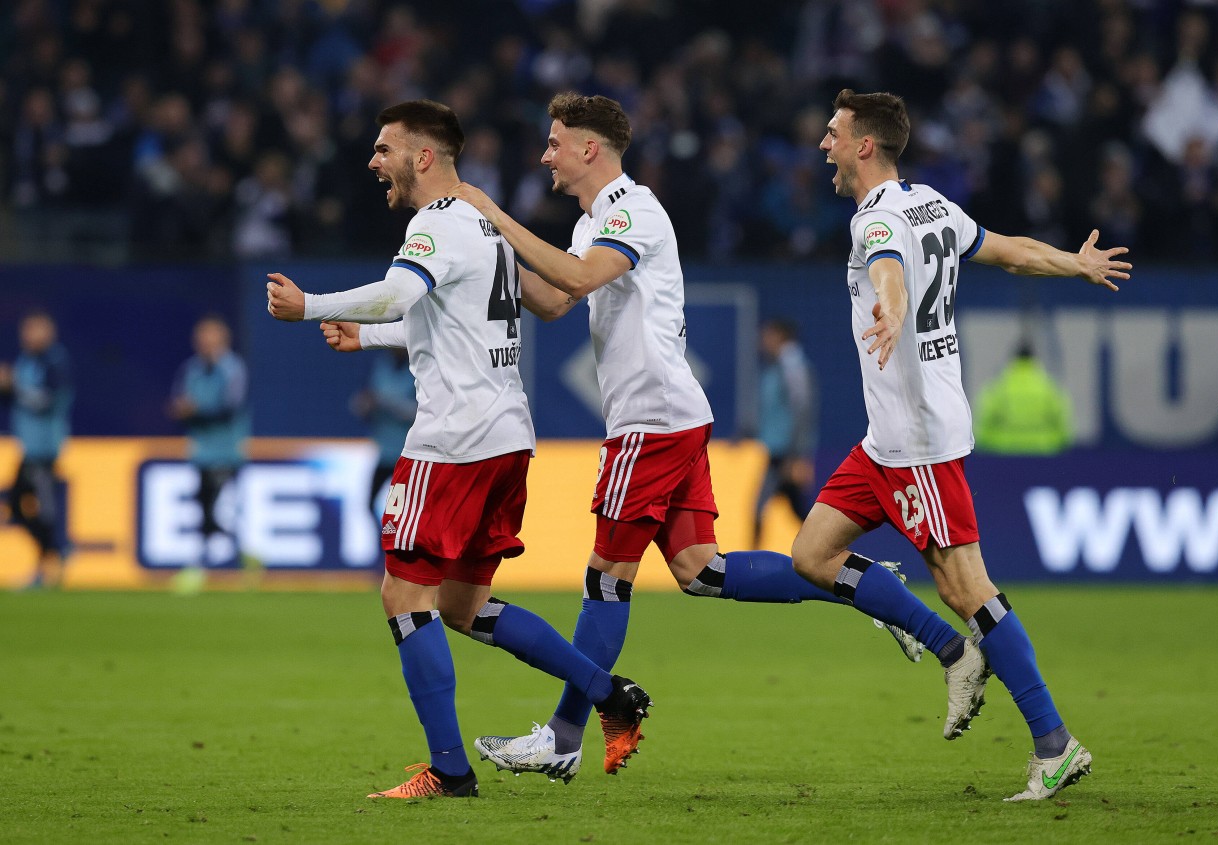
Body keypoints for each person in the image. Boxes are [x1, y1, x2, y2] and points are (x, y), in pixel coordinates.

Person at [446, 92, 943, 784]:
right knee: (700, 572)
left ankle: (563, 735)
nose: (545, 155)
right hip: (670, 416)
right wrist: (484, 249)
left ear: (590, 149)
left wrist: (494, 215)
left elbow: (580, 279)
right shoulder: (598, 221)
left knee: (604, 579)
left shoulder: (631, 211)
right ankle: (861, 587)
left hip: (649, 422)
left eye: (556, 142)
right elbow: (556, 299)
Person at [265, 99, 652, 800]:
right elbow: (448, 318)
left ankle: (448, 769)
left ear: (423, 156)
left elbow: (396, 295)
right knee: (465, 606)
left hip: (451, 441)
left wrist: (314, 306)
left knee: (403, 595)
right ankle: (608, 692)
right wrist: (369, 338)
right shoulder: (481, 222)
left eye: (385, 149)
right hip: (506, 435)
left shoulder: (437, 222)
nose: (374, 161)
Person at [791, 89, 1130, 801]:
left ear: (864, 145)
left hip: (918, 438)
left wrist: (889, 304)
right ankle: (945, 645)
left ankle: (1055, 744)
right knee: (813, 553)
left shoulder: (877, 219)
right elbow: (1009, 251)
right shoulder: (931, 203)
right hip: (886, 440)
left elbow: (888, 267)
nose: (823, 143)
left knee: (966, 586)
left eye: (833, 133)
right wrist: (1075, 263)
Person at [168, 315, 249, 594]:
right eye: (202, 339)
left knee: (216, 508)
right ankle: (243, 556)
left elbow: (230, 407)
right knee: (207, 509)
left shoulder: (233, 369)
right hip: (201, 451)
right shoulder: (191, 369)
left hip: (227, 452)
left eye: (210, 338)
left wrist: (195, 409)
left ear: (223, 340)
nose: (205, 344)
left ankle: (204, 565)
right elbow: (180, 403)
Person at [0, 311, 73, 588]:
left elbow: (47, 401)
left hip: (45, 448)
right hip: (28, 446)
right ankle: (55, 552)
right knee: (20, 506)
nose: (28, 336)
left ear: (49, 332)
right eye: (26, 330)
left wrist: (15, 385)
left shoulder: (55, 362)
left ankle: (51, 559)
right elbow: (16, 402)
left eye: (35, 330)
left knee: (43, 509)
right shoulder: (26, 361)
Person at [752, 317, 819, 547]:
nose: (763, 341)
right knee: (798, 511)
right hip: (779, 452)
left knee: (760, 509)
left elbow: (801, 409)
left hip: (786, 455)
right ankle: (831, 553)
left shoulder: (792, 367)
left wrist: (798, 456)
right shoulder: (777, 366)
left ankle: (751, 566)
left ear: (780, 337)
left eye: (768, 335)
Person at [973, 341, 1073, 454]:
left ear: (1013, 360)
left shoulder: (998, 387)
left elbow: (984, 422)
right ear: (1035, 360)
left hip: (1004, 451)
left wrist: (991, 444)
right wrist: (1052, 443)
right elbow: (1063, 426)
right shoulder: (1049, 388)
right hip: (1043, 451)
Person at [351, 349, 417, 516]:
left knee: (399, 508)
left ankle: (399, 541)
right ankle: (381, 541)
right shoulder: (383, 364)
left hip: (405, 455)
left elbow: (422, 412)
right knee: (370, 505)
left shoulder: (418, 368)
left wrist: (388, 403)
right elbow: (363, 405)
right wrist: (366, 405)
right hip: (385, 452)